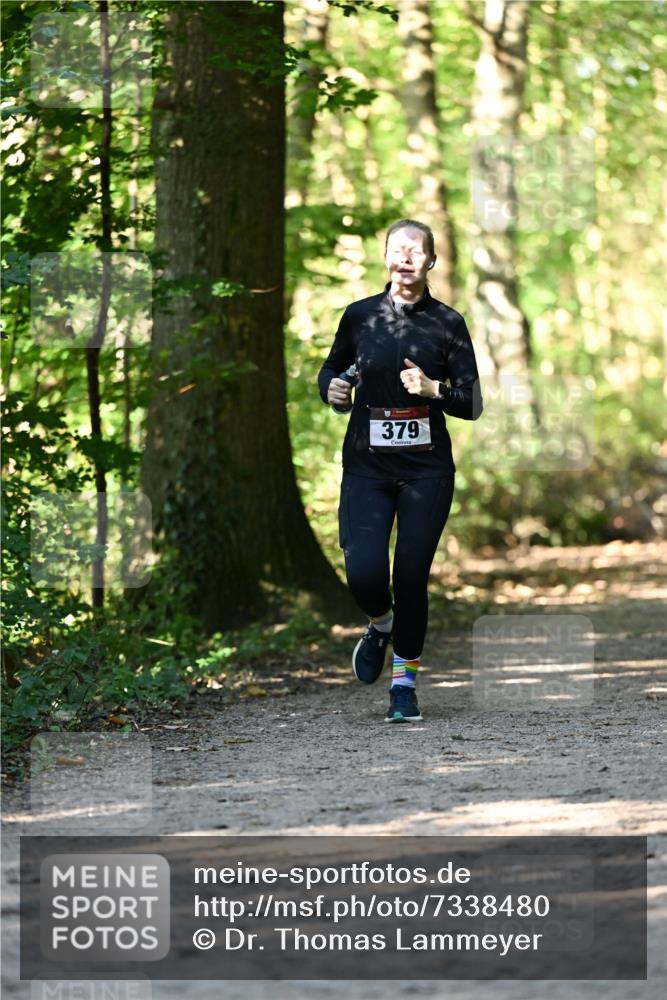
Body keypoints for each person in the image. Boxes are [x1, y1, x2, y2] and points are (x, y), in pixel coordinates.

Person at [317, 219, 483, 722]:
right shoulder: (360, 317)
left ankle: (404, 686)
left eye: (416, 249)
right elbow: (332, 372)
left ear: (431, 260)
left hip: (426, 471)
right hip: (367, 467)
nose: (405, 256)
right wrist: (333, 391)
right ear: (385, 258)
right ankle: (380, 623)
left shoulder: (447, 323)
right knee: (365, 573)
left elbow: (472, 402)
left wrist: (436, 392)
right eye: (396, 248)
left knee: (410, 576)